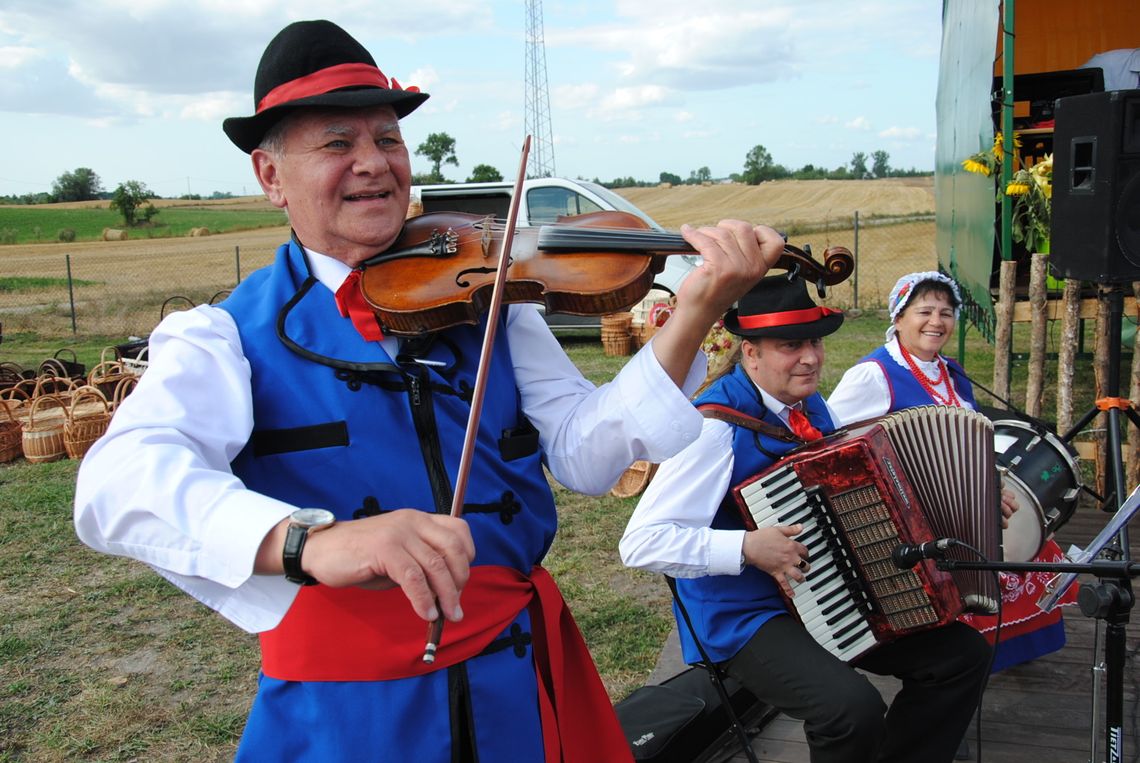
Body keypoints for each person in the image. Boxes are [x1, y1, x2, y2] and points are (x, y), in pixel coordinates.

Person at [72, 19, 783, 763]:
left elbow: (586, 454)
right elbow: (117, 482)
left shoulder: (491, 298)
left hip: (514, 677)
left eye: (388, 139)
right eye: (338, 144)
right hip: (349, 713)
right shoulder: (222, 335)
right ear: (271, 176)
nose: (374, 164)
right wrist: (312, 540)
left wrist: (696, 310)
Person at [620, 276, 991, 763]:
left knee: (961, 656)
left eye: (814, 341)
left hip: (831, 590)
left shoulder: (812, 405)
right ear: (750, 354)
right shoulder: (711, 429)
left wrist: (970, 490)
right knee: (849, 709)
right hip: (744, 616)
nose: (811, 357)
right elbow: (641, 543)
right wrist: (746, 547)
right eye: (790, 345)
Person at [828, 271, 1073, 672]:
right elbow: (834, 446)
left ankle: (994, 656)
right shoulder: (873, 374)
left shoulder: (950, 371)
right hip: (909, 513)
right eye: (924, 311)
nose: (936, 322)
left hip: (960, 500)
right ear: (898, 318)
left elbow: (972, 438)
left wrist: (990, 483)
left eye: (946, 312)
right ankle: (957, 674)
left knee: (1027, 536)